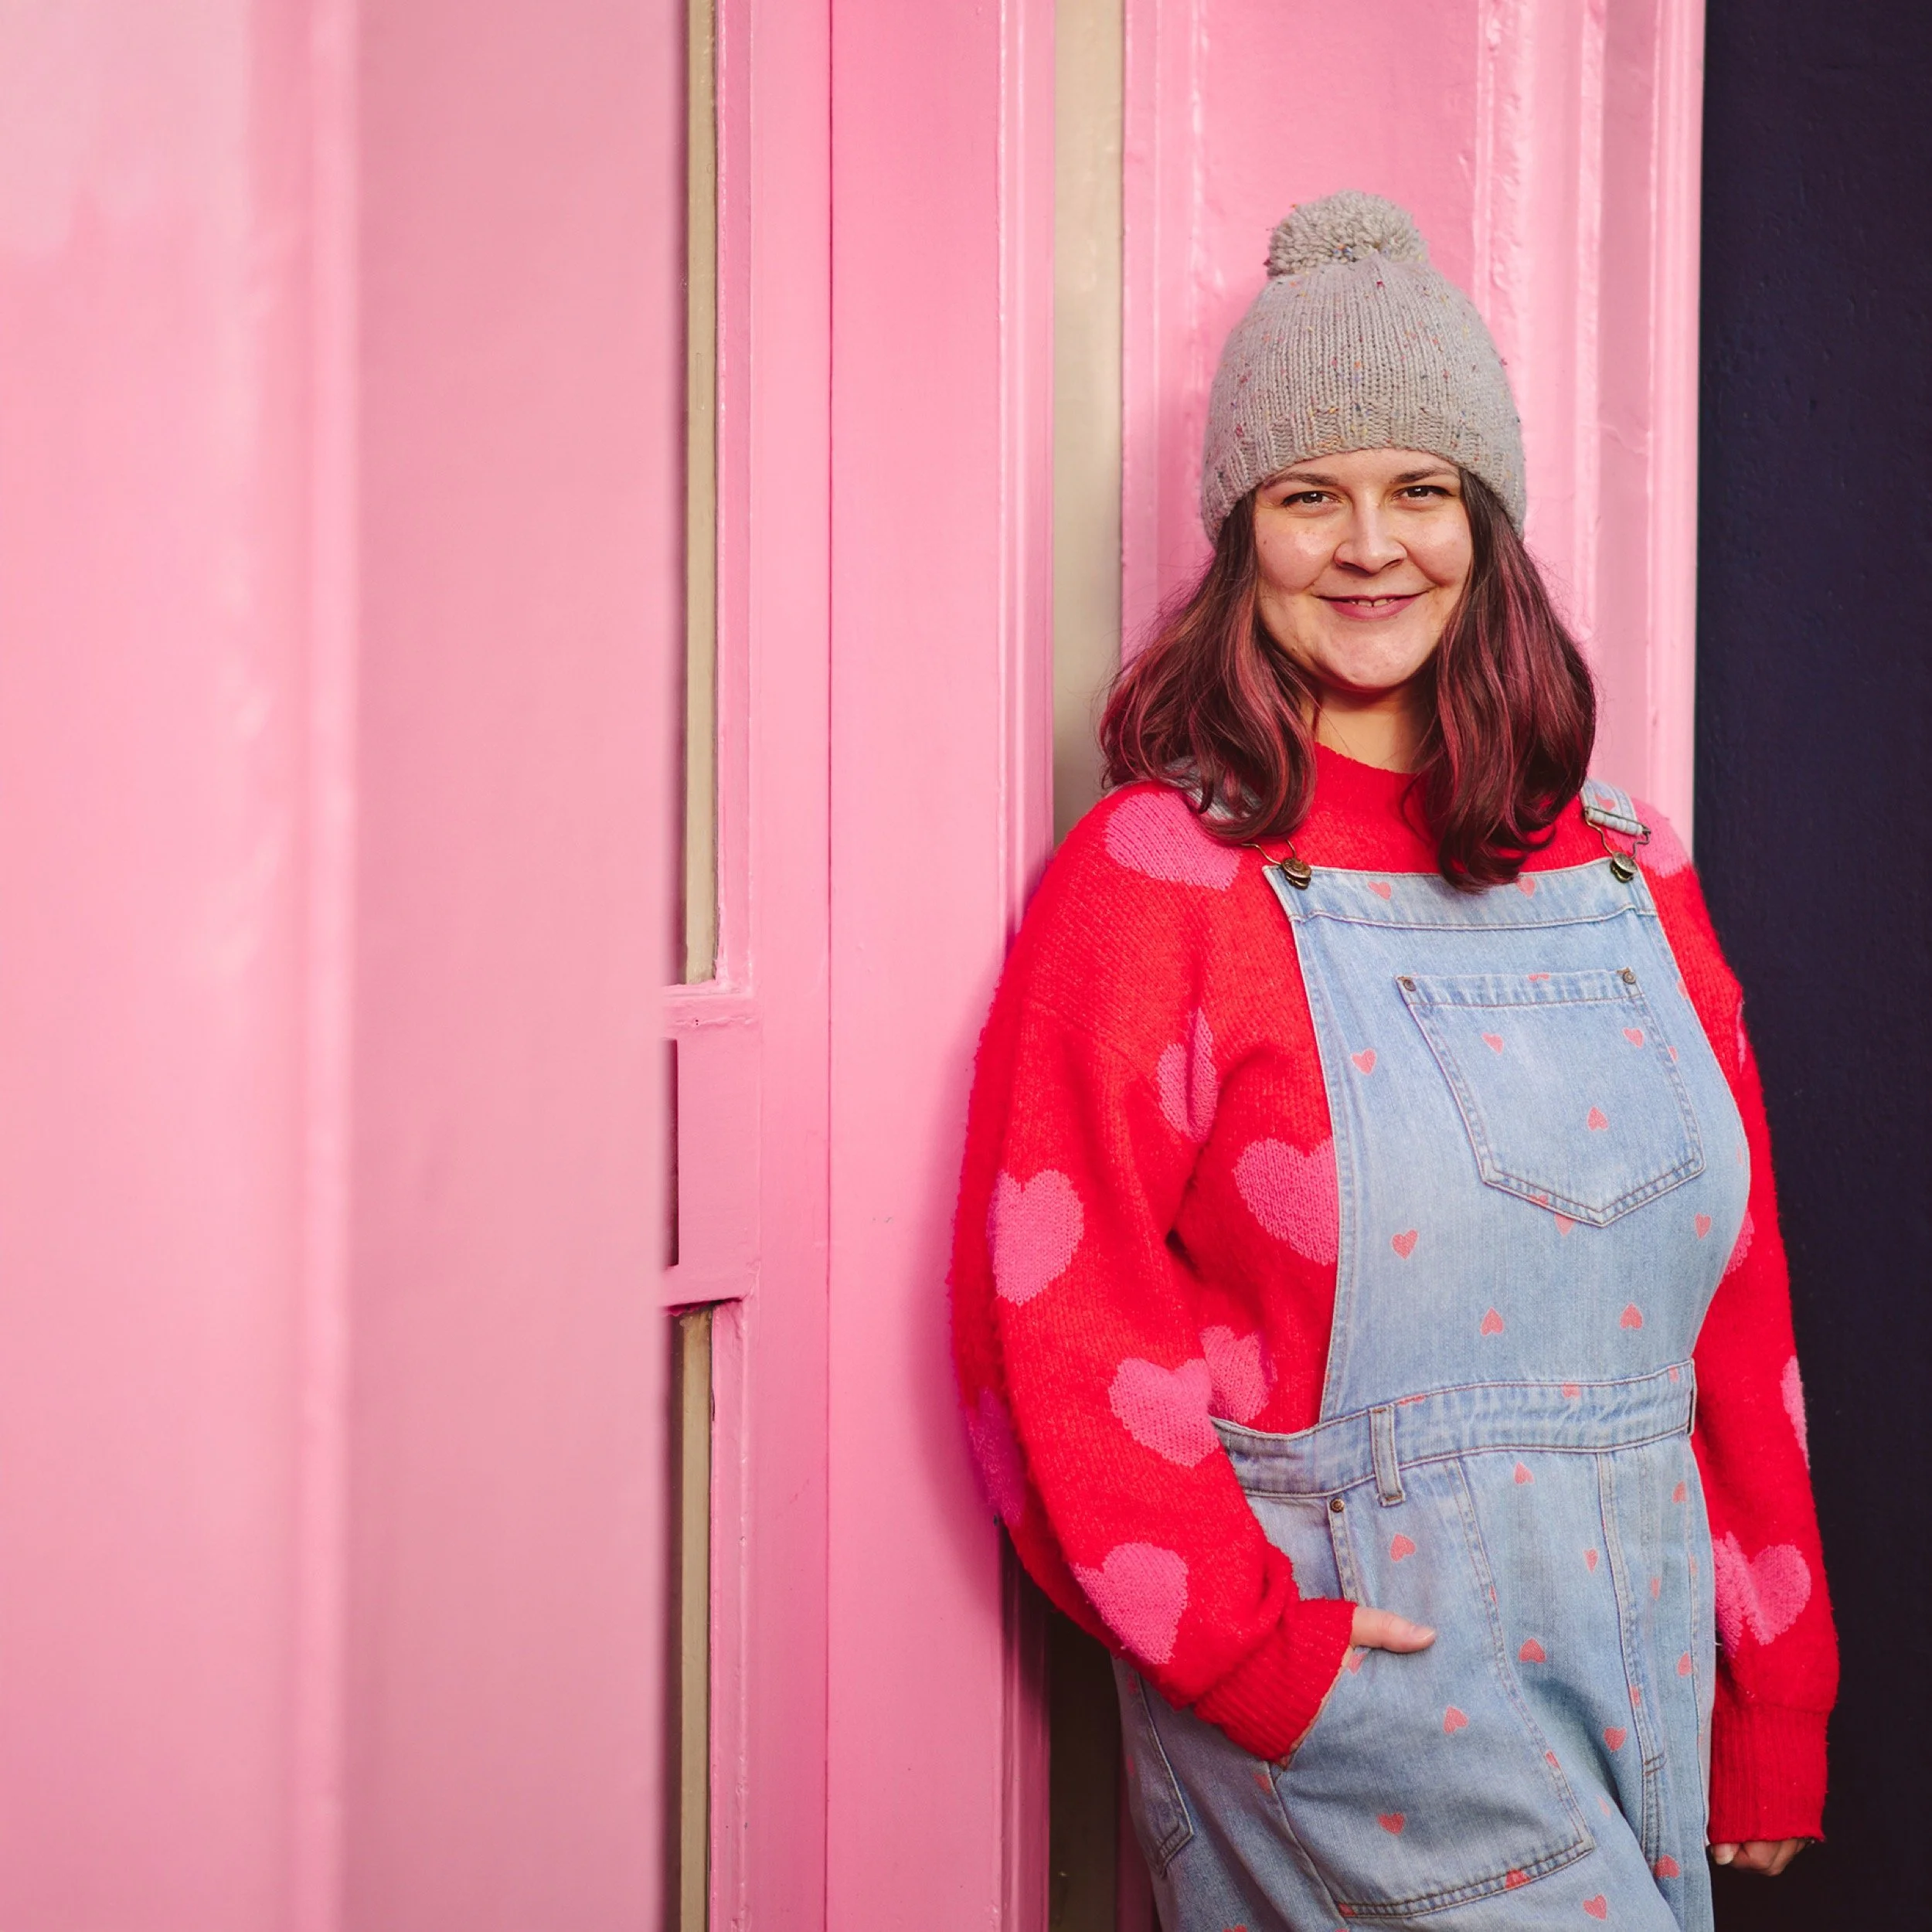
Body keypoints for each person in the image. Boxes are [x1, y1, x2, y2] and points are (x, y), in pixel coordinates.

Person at [950, 192, 1835, 1932]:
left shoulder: (1629, 868)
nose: (1370, 547)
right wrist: (1252, 1654)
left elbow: (1733, 1309)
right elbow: (1051, 1316)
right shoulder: (1157, 879)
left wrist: (1772, 1692)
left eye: (1420, 488)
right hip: (1358, 1697)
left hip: (1645, 1663)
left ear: (1484, 522)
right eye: (1308, 497)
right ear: (1242, 538)